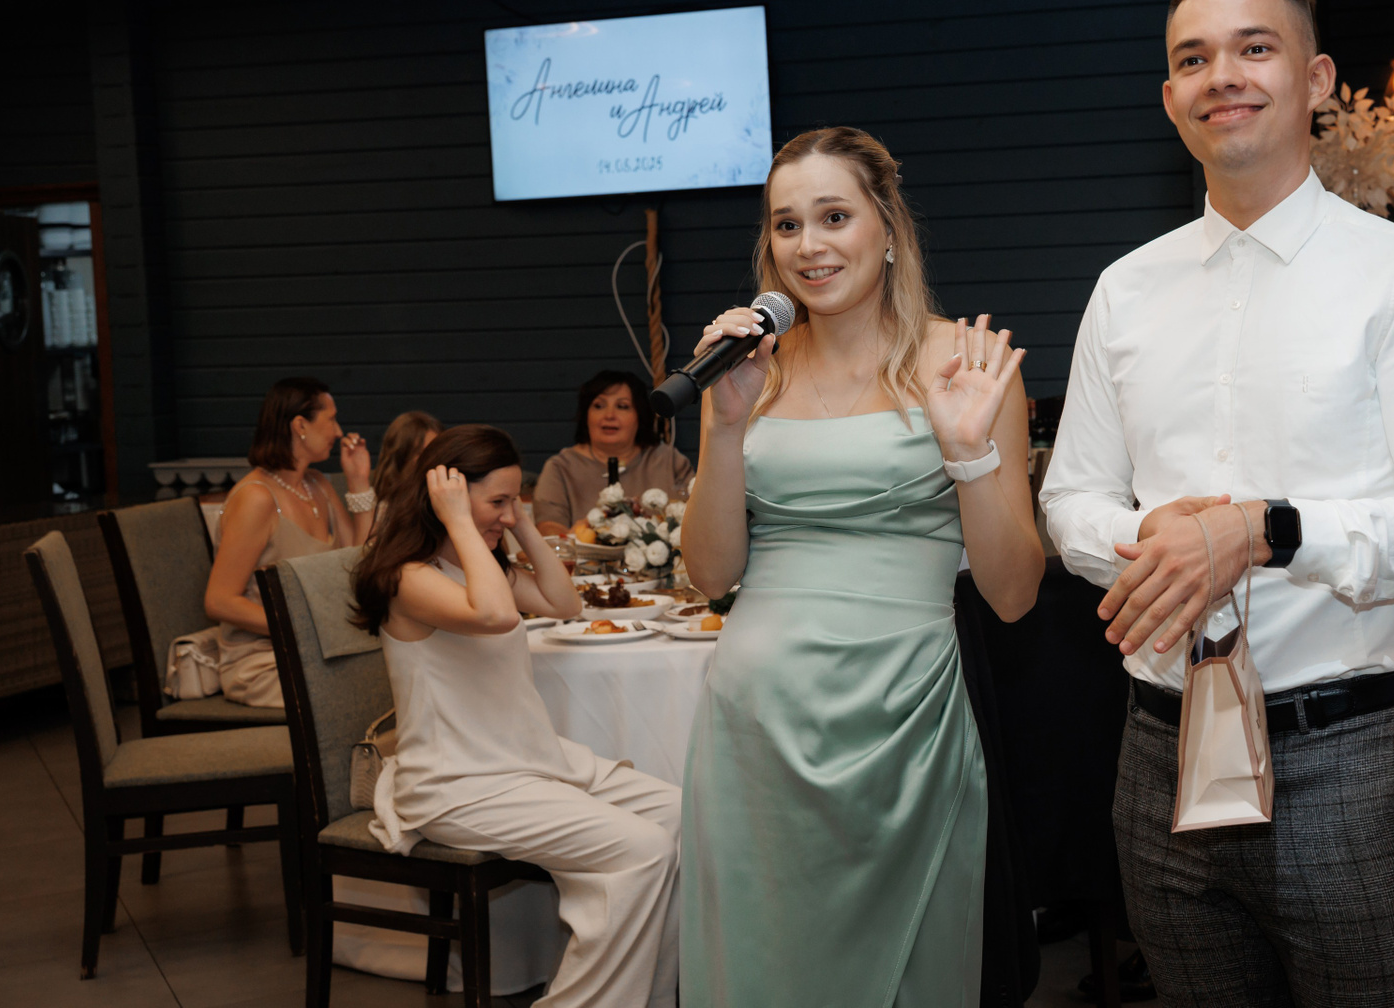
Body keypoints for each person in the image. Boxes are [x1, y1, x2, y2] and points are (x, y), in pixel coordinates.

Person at [1040, 0, 1394, 1008]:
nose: (1223, 76)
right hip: (1158, 755)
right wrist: (1157, 540)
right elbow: (1070, 500)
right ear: (1170, 98)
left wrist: (1266, 530)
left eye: (1254, 48)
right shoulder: (1125, 290)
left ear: (1316, 79)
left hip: (1353, 762)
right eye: (1193, 59)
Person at [676, 126, 1045, 1007]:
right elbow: (710, 575)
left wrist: (968, 454)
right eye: (787, 225)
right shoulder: (749, 374)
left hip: (907, 717)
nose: (809, 245)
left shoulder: (967, 363)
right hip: (756, 725)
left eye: (834, 216)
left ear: (887, 228)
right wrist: (724, 426)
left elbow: (1014, 593)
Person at [355, 425, 682, 1008]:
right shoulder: (409, 579)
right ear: (448, 499)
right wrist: (462, 522)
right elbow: (496, 616)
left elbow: (564, 602)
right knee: (644, 850)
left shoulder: (481, 567)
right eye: (498, 501)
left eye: (516, 499)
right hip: (459, 783)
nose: (507, 514)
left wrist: (522, 523)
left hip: (525, 762)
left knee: (681, 815)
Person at [205, 377, 372, 707]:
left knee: (392, 672)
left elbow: (358, 563)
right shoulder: (256, 498)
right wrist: (308, 629)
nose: (338, 431)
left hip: (316, 649)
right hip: (263, 661)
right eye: (331, 419)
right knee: (367, 690)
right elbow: (219, 601)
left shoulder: (318, 484)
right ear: (300, 425)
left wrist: (358, 482)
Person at [533, 370, 694, 537]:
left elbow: (698, 518)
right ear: (586, 415)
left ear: (640, 415)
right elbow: (549, 529)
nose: (609, 415)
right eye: (599, 406)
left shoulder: (669, 460)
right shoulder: (560, 467)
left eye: (622, 406)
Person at [370, 409, 441, 516]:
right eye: (420, 452)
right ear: (402, 456)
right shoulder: (384, 504)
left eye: (435, 451)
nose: (431, 458)